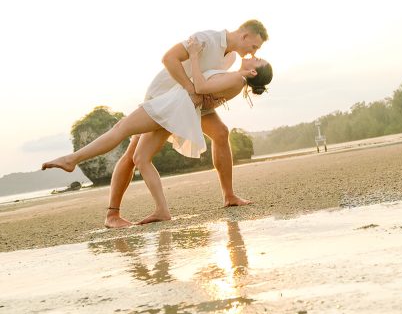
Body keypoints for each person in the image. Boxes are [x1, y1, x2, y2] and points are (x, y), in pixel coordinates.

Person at [42, 37, 273, 227]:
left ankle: (72, 159)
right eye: (255, 49)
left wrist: (193, 55)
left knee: (121, 131)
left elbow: (201, 87)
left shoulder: (236, 78)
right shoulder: (231, 66)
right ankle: (161, 210)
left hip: (171, 107)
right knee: (139, 157)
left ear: (253, 73)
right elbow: (205, 91)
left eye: (258, 57)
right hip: (175, 106)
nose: (254, 54)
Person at [106, 21, 269, 227]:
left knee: (220, 132)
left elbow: (213, 83)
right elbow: (168, 58)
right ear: (245, 36)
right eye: (254, 47)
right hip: (166, 96)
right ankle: (112, 214)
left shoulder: (231, 57)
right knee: (133, 155)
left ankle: (229, 196)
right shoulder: (206, 39)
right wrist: (192, 88)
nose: (252, 53)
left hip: (194, 102)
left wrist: (212, 99)